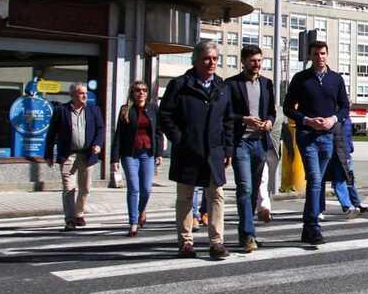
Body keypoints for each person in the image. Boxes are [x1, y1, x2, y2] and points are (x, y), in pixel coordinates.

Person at [158, 39, 233, 259]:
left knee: (216, 196)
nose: (211, 63)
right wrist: (179, 139)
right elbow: (165, 115)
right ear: (196, 60)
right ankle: (186, 242)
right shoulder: (180, 85)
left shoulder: (222, 87)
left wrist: (228, 149)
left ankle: (217, 242)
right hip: (188, 151)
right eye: (207, 59)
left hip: (214, 152)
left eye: (215, 59)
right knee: (185, 197)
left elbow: (228, 120)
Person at [283, 40, 349, 245]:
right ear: (310, 56)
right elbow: (287, 107)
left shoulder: (336, 79)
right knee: (314, 178)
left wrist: (333, 119)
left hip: (327, 136)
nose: (319, 57)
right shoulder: (301, 78)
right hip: (307, 136)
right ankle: (312, 226)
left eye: (322, 53)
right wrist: (306, 120)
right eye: (315, 54)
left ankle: (308, 228)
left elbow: (344, 108)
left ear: (327, 55)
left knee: (318, 181)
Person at [226, 45, 276, 254]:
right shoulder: (232, 84)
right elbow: (225, 113)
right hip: (241, 143)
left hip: (259, 142)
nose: (257, 64)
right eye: (253, 61)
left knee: (254, 189)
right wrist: (243, 119)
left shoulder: (266, 83)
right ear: (243, 61)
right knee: (245, 187)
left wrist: (269, 122)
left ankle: (245, 230)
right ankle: (248, 234)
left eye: (259, 61)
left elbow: (271, 111)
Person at [44, 82, 104, 232]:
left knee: (85, 188)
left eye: (86, 93)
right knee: (68, 188)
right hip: (68, 155)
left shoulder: (94, 110)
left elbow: (101, 129)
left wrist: (98, 144)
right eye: (81, 93)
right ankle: (70, 220)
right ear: (73, 95)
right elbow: (51, 133)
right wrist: (49, 154)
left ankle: (79, 214)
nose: (85, 96)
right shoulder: (61, 110)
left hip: (87, 154)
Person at [110, 80, 162, 237]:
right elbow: (118, 135)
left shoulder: (153, 108)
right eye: (138, 90)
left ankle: (141, 210)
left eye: (144, 90)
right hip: (130, 154)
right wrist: (114, 159)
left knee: (146, 189)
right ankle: (133, 222)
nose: (141, 93)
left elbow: (158, 132)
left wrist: (159, 153)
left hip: (148, 154)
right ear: (132, 93)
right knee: (134, 188)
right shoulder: (125, 110)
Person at [330, 113, 368, 215]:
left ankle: (355, 204)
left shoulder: (345, 119)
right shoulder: (338, 118)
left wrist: (350, 148)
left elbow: (348, 136)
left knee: (348, 181)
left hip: (344, 153)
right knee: (341, 180)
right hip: (338, 154)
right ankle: (348, 206)